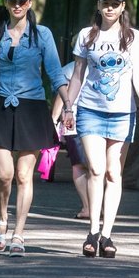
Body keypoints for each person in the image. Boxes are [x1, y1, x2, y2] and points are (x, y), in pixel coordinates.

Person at [0, 0, 70, 258]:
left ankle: (19, 233)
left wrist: (69, 105)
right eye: (12, 1)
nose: (17, 6)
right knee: (4, 174)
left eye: (22, 1)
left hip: (32, 107)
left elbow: (55, 71)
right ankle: (1, 220)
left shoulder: (42, 35)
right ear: (6, 3)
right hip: (0, 106)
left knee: (25, 175)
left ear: (29, 3)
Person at [64, 0, 139, 259]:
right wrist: (69, 106)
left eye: (115, 4)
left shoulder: (134, 38)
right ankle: (92, 231)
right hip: (90, 109)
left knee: (114, 172)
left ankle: (107, 235)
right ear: (99, 6)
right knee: (96, 168)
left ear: (123, 6)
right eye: (106, 4)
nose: (110, 8)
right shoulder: (86, 36)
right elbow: (77, 74)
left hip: (122, 113)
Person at [50, 62, 90, 220]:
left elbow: (62, 94)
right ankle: (92, 206)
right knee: (87, 166)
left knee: (79, 165)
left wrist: (53, 119)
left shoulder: (71, 68)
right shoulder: (71, 68)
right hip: (74, 121)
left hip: (74, 121)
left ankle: (88, 206)